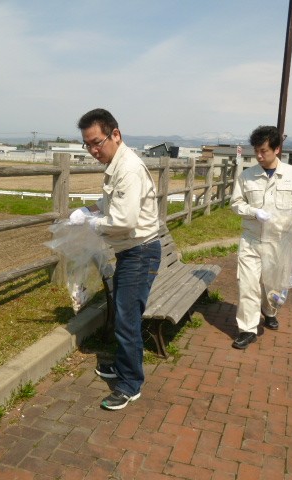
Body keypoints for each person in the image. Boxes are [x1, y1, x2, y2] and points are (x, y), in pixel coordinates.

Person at [68, 108, 161, 410]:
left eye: (97, 142)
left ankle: (130, 383)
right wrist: (89, 210)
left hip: (139, 252)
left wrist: (92, 222)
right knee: (124, 314)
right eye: (88, 145)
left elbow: (124, 220)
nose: (93, 150)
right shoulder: (117, 164)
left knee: (126, 318)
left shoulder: (128, 169)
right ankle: (123, 366)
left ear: (115, 134)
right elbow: (110, 202)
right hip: (132, 252)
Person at [230, 125, 292, 349]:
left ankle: (269, 311)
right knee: (248, 285)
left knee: (273, 285)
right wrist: (253, 212)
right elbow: (236, 203)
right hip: (252, 240)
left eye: (263, 151)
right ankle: (247, 329)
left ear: (276, 150)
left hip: (279, 241)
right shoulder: (247, 176)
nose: (259, 156)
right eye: (256, 151)